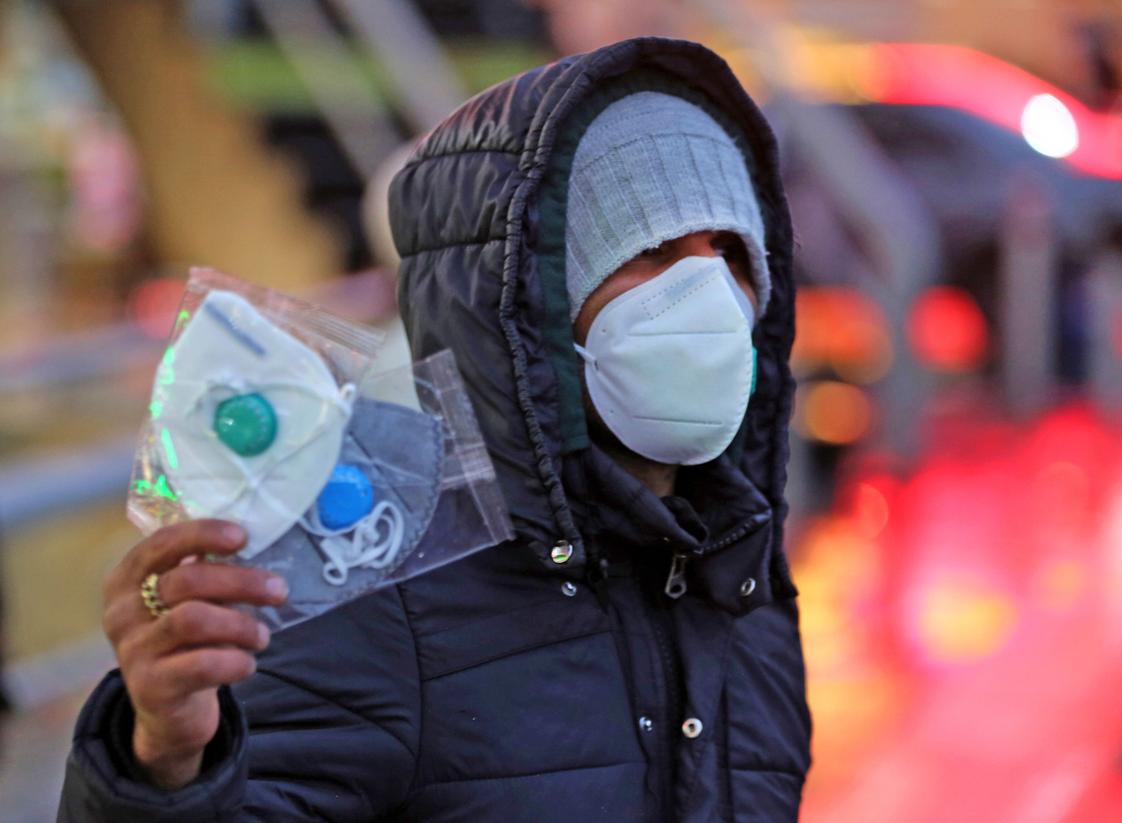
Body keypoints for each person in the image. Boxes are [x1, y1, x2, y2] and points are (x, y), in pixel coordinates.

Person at [58, 37, 812, 821]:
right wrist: (165, 768)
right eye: (651, 248)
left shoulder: (741, 578)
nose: (708, 293)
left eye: (730, 251)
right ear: (535, 295)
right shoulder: (375, 577)